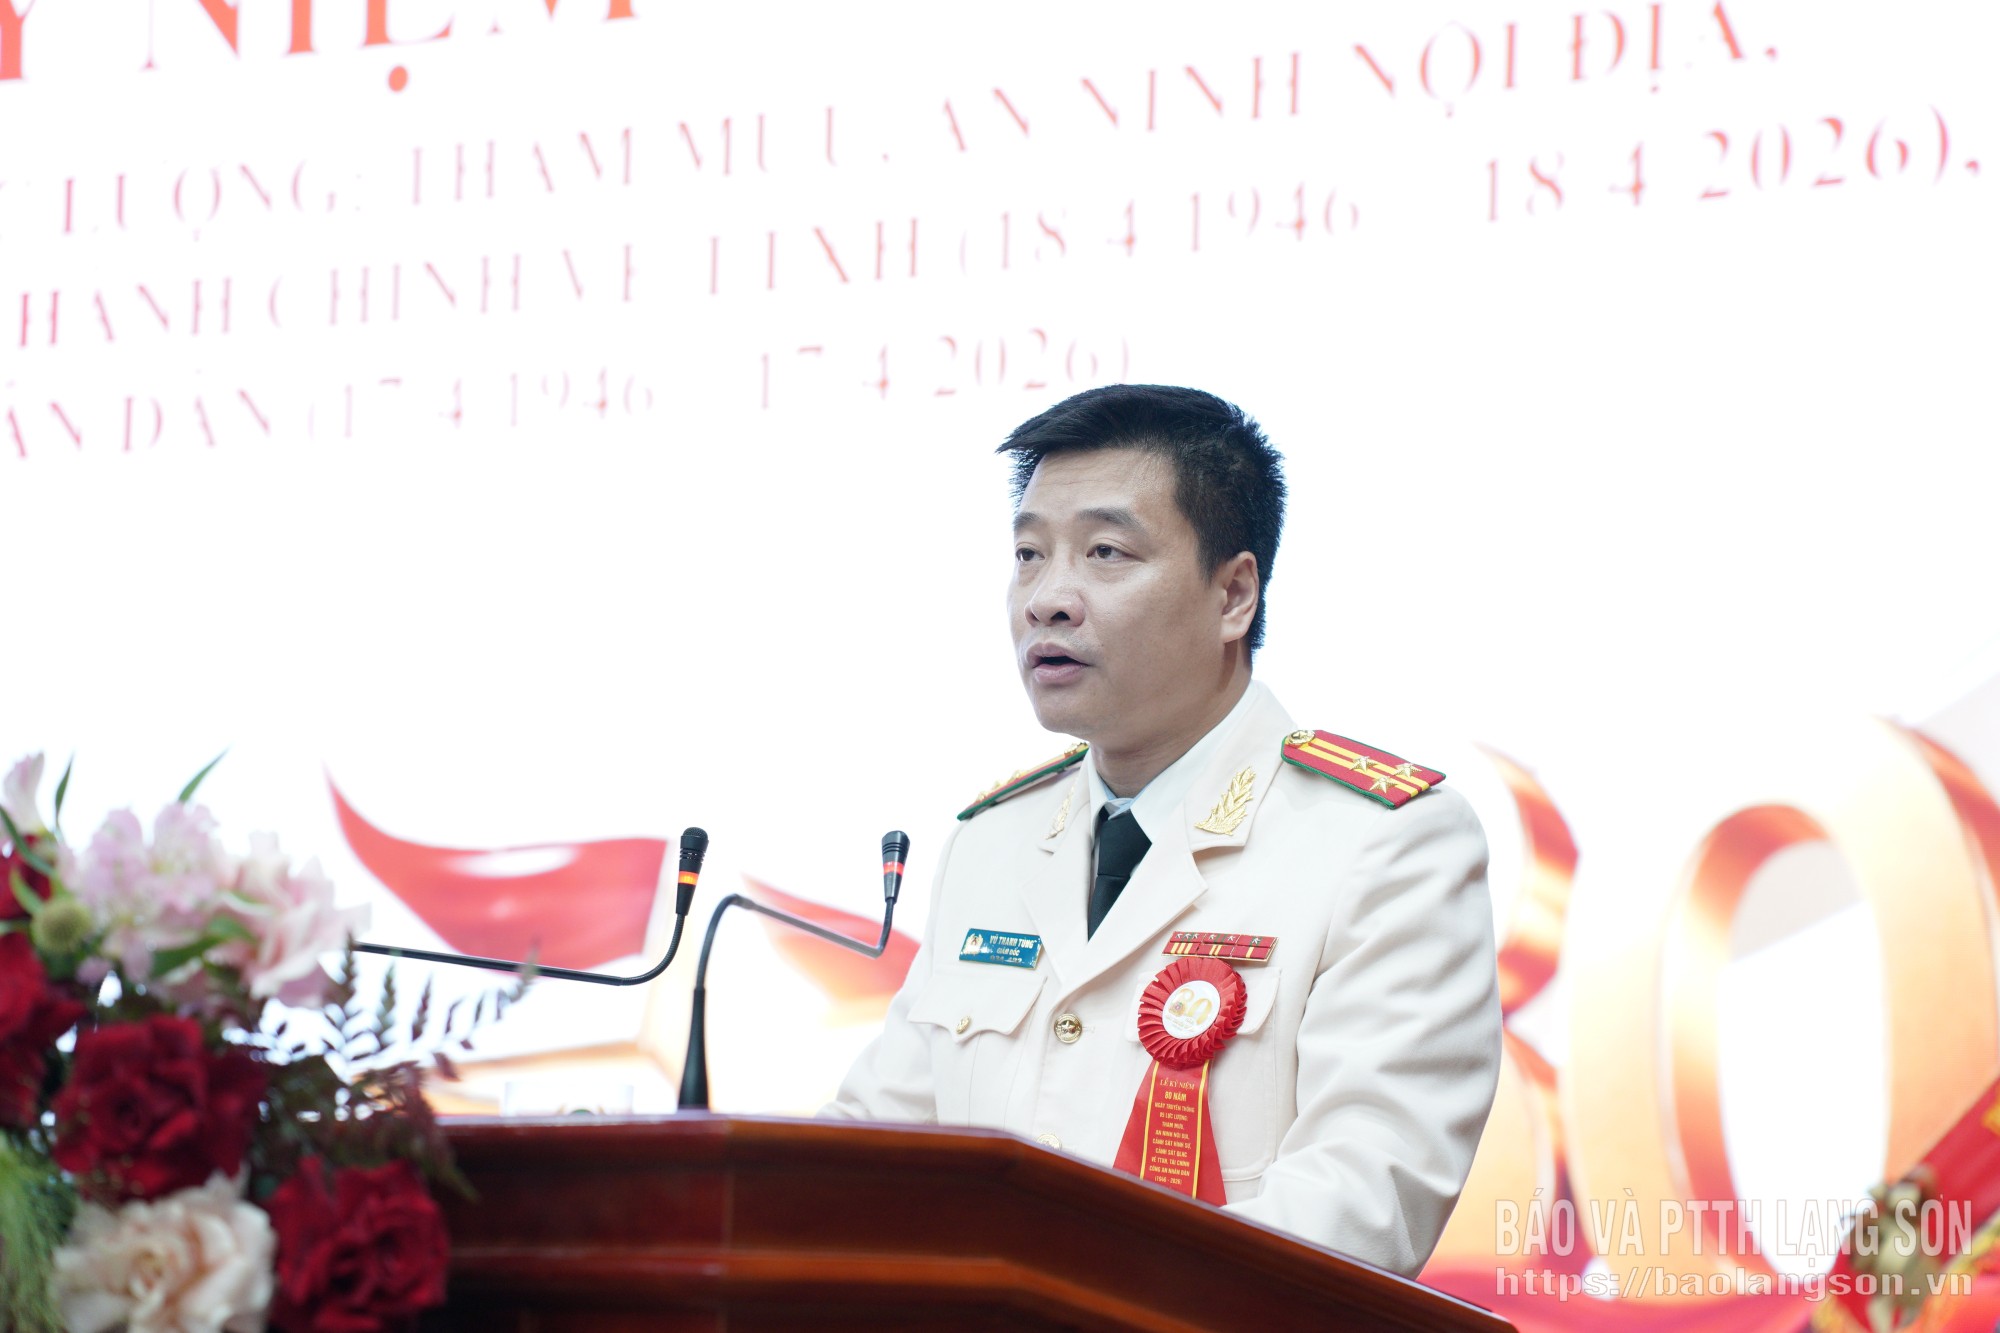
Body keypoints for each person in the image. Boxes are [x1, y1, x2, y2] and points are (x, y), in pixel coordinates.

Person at [823, 384, 1501, 1277]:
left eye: (1105, 552)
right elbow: (873, 1153)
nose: (1046, 599)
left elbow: (1361, 1204)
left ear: (1234, 595)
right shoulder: (992, 843)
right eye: (1029, 554)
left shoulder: (1385, 847)